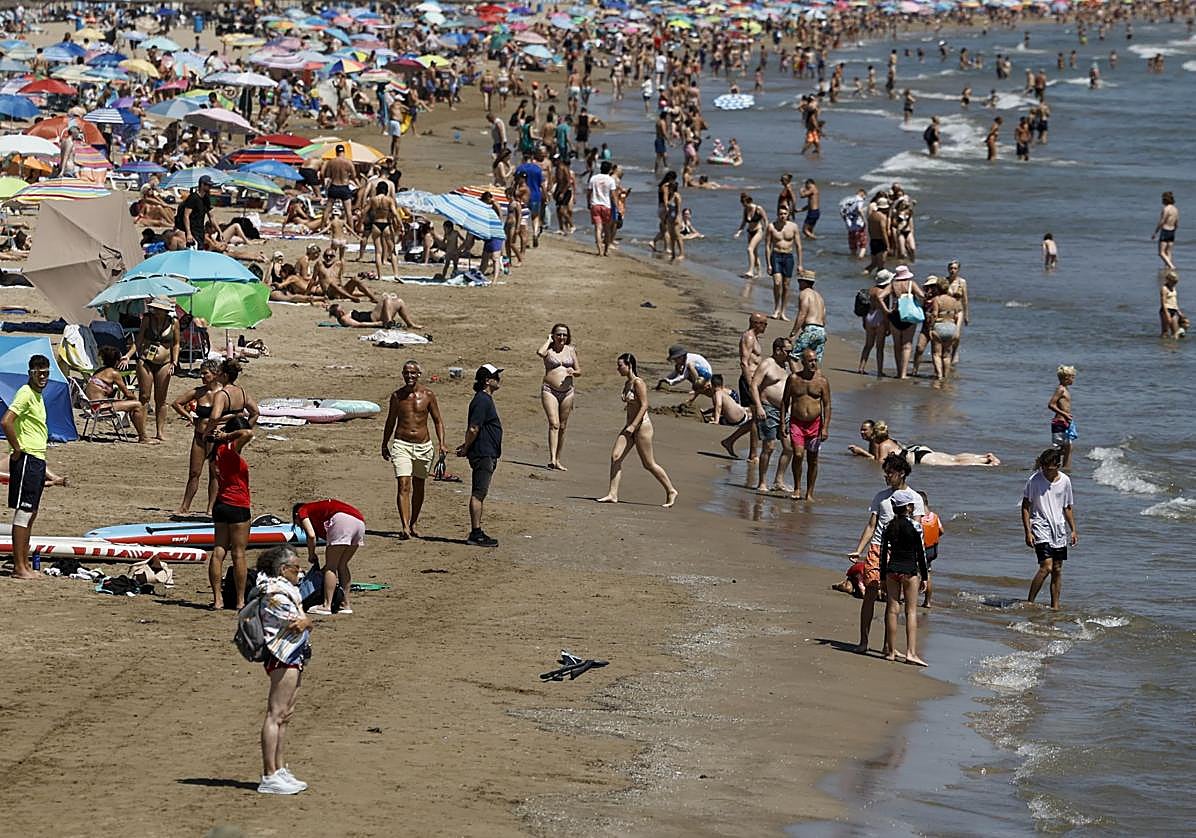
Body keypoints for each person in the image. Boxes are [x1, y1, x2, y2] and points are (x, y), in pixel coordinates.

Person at [846, 453, 924, 655]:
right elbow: (871, 525)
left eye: (890, 473)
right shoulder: (881, 497)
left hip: (899, 552)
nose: (887, 476)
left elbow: (917, 531)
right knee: (870, 592)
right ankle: (863, 641)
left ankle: (888, 646)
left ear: (902, 473)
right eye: (886, 473)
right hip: (877, 547)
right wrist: (859, 549)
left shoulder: (915, 498)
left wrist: (918, 562)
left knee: (892, 599)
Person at [254, 545, 313, 795]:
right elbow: (298, 623)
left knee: (285, 714)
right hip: (283, 655)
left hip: (293, 654)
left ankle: (279, 769)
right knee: (276, 714)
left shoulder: (284, 590)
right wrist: (307, 621)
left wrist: (306, 621)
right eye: (296, 569)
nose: (300, 573)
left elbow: (303, 621)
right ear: (282, 569)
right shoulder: (275, 593)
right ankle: (269, 774)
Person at [2, 355, 57, 580]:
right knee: (24, 513)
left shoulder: (37, 395)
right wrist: (16, 449)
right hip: (27, 457)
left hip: (37, 459)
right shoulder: (25, 393)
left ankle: (24, 563)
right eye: (39, 373)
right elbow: (6, 421)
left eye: (46, 373)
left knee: (31, 513)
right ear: (31, 373)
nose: (43, 377)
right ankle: (19, 567)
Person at [597, 353, 677, 508]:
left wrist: (634, 425)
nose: (618, 369)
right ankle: (612, 494)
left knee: (648, 464)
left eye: (620, 365)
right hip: (629, 426)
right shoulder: (627, 383)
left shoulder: (638, 382)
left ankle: (671, 490)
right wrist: (630, 425)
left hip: (642, 427)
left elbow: (645, 405)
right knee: (615, 456)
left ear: (629, 366)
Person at [382, 360, 447, 540]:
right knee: (403, 484)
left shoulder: (428, 395)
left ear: (419, 374)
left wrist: (442, 443)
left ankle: (413, 523)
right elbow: (390, 420)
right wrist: (384, 443)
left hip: (423, 446)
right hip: (401, 444)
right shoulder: (397, 396)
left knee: (419, 485)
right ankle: (404, 526)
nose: (409, 376)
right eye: (406, 373)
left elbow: (437, 420)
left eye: (412, 373)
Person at [879, 488, 929, 666]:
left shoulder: (888, 526)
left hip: (891, 570)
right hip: (909, 571)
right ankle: (911, 653)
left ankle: (891, 651)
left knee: (892, 610)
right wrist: (925, 576)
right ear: (908, 507)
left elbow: (883, 552)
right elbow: (921, 553)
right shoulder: (915, 526)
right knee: (911, 611)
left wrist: (882, 576)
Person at [1023, 448, 1078, 610]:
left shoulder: (1065, 481)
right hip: (1040, 526)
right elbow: (1025, 506)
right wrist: (1028, 532)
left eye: (1049, 468)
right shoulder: (1034, 480)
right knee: (1046, 567)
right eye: (1044, 467)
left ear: (1057, 466)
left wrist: (1073, 530)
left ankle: (1055, 607)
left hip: (1059, 529)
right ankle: (1030, 602)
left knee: (1057, 569)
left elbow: (1067, 507)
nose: (1046, 470)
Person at [207, 416, 253, 610]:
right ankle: (240, 600)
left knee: (219, 550)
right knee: (238, 553)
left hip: (221, 504)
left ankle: (218, 599)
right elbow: (247, 433)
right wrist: (227, 436)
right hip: (237, 504)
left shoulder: (216, 452)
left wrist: (222, 435)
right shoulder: (230, 448)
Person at [456, 364, 504, 547]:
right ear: (487, 380)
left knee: (480, 492)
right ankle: (475, 533)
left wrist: (466, 446)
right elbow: (473, 428)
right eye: (496, 377)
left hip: (485, 452)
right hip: (483, 454)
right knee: (478, 493)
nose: (499, 380)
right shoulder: (482, 400)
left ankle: (476, 532)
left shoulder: (484, 399)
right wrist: (467, 448)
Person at [293, 499, 365, 616]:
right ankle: (345, 605)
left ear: (296, 515)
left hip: (342, 520)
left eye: (297, 523)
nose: (299, 525)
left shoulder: (302, 510)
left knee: (331, 567)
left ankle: (326, 606)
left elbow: (311, 535)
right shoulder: (319, 514)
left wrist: (311, 554)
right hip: (359, 522)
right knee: (342, 565)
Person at [171, 359, 223, 515]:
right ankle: (185, 506)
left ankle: (211, 508)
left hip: (215, 437)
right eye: (201, 373)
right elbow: (176, 403)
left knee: (214, 474)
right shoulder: (199, 392)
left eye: (205, 373)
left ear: (215, 374)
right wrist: (190, 417)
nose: (202, 376)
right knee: (194, 473)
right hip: (200, 436)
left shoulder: (224, 393)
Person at [124, 297, 179, 441]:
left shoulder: (174, 322)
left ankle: (160, 432)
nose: (157, 311)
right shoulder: (147, 319)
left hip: (165, 363)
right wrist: (128, 355)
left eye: (160, 309)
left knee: (161, 398)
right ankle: (142, 433)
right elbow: (139, 340)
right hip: (146, 361)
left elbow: (176, 344)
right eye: (155, 308)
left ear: (166, 310)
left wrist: (175, 361)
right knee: (144, 396)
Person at [781, 348, 831, 501]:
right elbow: (785, 401)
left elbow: (827, 405)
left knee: (812, 459)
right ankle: (797, 488)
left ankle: (809, 493)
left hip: (815, 424)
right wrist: (782, 422)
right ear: (803, 362)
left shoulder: (822, 381)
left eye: (815, 360)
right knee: (798, 454)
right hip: (797, 423)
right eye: (810, 361)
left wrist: (825, 427)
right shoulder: (793, 379)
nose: (813, 363)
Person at [85, 346, 155, 444]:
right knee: (138, 405)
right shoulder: (114, 373)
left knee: (132, 404)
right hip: (100, 407)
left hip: (91, 405)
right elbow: (127, 393)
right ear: (117, 361)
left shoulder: (99, 371)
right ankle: (143, 437)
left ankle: (141, 434)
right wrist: (134, 400)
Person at [750, 336, 795, 493]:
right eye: (788, 351)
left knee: (789, 447)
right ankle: (762, 482)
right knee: (768, 447)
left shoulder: (787, 366)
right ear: (778, 350)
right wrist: (758, 407)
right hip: (768, 408)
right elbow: (754, 385)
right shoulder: (767, 364)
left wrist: (792, 361)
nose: (790, 354)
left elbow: (798, 378)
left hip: (784, 411)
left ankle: (779, 481)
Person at [537, 324, 580, 471]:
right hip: (550, 390)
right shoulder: (548, 350)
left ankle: (558, 459)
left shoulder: (571, 350)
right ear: (553, 335)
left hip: (567, 392)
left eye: (564, 335)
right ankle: (552, 459)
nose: (562, 337)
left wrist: (573, 372)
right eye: (559, 334)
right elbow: (540, 352)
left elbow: (579, 370)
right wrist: (548, 340)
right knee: (554, 424)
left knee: (562, 426)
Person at [731, 313, 767, 461]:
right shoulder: (749, 337)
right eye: (764, 323)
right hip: (749, 380)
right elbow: (744, 362)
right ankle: (753, 454)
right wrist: (751, 383)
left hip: (754, 380)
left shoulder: (755, 337)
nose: (765, 327)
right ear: (756, 323)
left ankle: (730, 441)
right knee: (756, 417)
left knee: (757, 418)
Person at [764, 205, 801, 321]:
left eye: (785, 214)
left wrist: (800, 264)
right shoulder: (771, 227)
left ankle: (783, 312)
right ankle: (776, 309)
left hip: (788, 256)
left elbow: (798, 246)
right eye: (781, 214)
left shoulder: (793, 227)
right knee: (777, 282)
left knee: (786, 285)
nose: (783, 216)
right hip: (776, 255)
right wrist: (768, 264)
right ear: (777, 214)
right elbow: (767, 246)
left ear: (788, 214)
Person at [925, 275, 963, 379]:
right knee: (947, 355)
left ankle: (939, 375)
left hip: (939, 326)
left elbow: (935, 314)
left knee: (936, 354)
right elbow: (956, 315)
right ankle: (946, 376)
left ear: (938, 288)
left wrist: (930, 327)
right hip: (951, 327)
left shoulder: (937, 299)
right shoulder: (954, 300)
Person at [858, 269, 892, 376]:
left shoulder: (870, 290)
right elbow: (884, 311)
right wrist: (888, 326)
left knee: (868, 345)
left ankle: (861, 367)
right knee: (880, 347)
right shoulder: (884, 292)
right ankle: (880, 371)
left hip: (869, 317)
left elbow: (865, 306)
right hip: (879, 317)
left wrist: (864, 321)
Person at [789, 274, 826, 365]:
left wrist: (793, 333)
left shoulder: (804, 293)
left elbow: (802, 314)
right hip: (821, 331)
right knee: (813, 362)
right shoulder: (819, 297)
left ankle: (796, 375)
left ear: (804, 282)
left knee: (793, 357)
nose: (798, 284)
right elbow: (824, 318)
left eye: (799, 281)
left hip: (810, 329)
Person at [327, 296, 422, 330]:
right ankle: (388, 322)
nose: (343, 311)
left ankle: (410, 324)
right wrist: (377, 324)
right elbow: (359, 324)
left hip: (373, 315)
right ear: (337, 314)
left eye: (342, 309)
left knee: (399, 301)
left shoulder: (344, 316)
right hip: (373, 318)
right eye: (340, 311)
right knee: (386, 300)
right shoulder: (344, 319)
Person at [1048, 364, 1077, 471]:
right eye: (1072, 377)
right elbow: (1051, 405)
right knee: (1063, 448)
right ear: (1066, 378)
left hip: (1066, 422)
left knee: (1068, 447)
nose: (1073, 379)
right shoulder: (1060, 390)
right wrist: (1064, 414)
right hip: (1059, 422)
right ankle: (1046, 462)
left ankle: (1064, 469)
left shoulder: (1066, 389)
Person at [734, 193, 768, 279]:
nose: (743, 206)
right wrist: (738, 232)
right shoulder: (745, 210)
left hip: (758, 231)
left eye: (744, 204)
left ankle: (750, 271)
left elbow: (765, 220)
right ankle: (759, 273)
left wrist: (767, 232)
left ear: (747, 202)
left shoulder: (758, 208)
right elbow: (743, 223)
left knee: (750, 249)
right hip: (750, 232)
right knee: (754, 252)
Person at [587, 160, 617, 256]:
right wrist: (616, 206)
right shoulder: (611, 180)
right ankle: (606, 250)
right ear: (609, 170)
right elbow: (613, 195)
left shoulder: (594, 178)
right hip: (606, 206)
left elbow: (589, 192)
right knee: (607, 229)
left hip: (595, 204)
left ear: (600, 168)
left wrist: (588, 202)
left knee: (598, 228)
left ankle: (600, 250)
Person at [918, 491, 942, 608]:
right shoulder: (935, 516)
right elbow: (941, 531)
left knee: (914, 574)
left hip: (921, 551)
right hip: (932, 550)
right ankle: (927, 601)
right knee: (927, 574)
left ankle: (909, 597)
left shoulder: (919, 519)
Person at [176, 175, 213, 249]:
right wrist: (188, 233)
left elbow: (211, 216)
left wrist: (219, 231)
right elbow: (186, 215)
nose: (210, 187)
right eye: (208, 185)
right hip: (192, 231)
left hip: (200, 230)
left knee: (200, 250)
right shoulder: (193, 198)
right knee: (193, 251)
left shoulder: (206, 198)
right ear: (202, 185)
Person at [1152, 191, 1178, 271]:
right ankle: (1167, 267)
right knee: (1168, 251)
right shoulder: (1175, 209)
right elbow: (1177, 221)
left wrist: (1155, 232)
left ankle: (1171, 266)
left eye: (1162, 199)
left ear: (1165, 200)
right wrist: (1175, 228)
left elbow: (1162, 221)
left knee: (1161, 253)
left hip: (1165, 231)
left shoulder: (1166, 209)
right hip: (1172, 231)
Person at [1160, 271, 1186, 339]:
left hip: (1174, 310)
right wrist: (1166, 314)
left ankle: (1173, 344)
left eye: (1176, 282)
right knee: (1165, 331)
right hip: (1166, 310)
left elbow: (1174, 301)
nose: (1175, 283)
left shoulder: (1173, 288)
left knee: (1175, 332)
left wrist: (1179, 312)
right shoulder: (1164, 288)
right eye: (1173, 282)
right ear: (1169, 280)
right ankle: (1163, 344)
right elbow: (1163, 302)